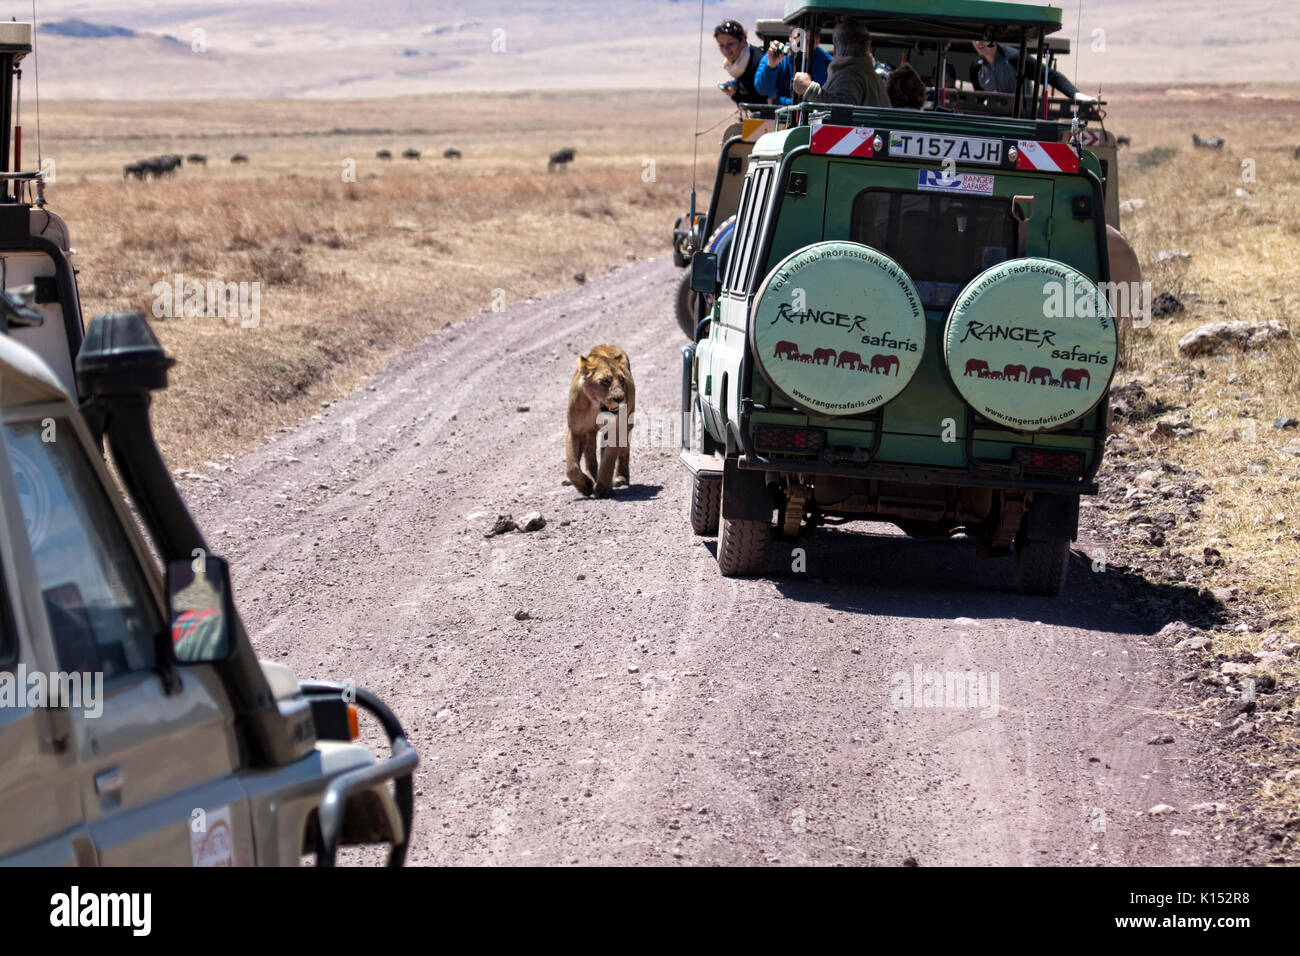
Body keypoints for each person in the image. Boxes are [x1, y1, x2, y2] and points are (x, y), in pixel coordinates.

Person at [792, 20, 889, 108]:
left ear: (838, 47)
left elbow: (841, 110)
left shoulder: (850, 75)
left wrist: (809, 89)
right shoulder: (870, 75)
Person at [969, 39, 1095, 104]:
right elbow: (979, 98)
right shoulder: (976, 67)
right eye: (974, 39)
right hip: (992, 121)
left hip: (1019, 120)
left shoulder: (1014, 58)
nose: (978, 43)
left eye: (982, 38)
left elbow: (1050, 76)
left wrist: (1076, 95)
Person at [754, 26, 831, 106]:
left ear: (817, 41)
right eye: (798, 40)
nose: (801, 47)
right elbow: (762, 90)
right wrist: (771, 67)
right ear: (790, 37)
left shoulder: (826, 63)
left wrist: (779, 101)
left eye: (807, 41)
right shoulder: (776, 54)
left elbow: (817, 102)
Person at [714, 20, 764, 104]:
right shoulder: (736, 64)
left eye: (730, 44)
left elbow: (761, 102)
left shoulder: (758, 62)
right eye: (721, 45)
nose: (725, 50)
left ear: (743, 40)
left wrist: (736, 95)